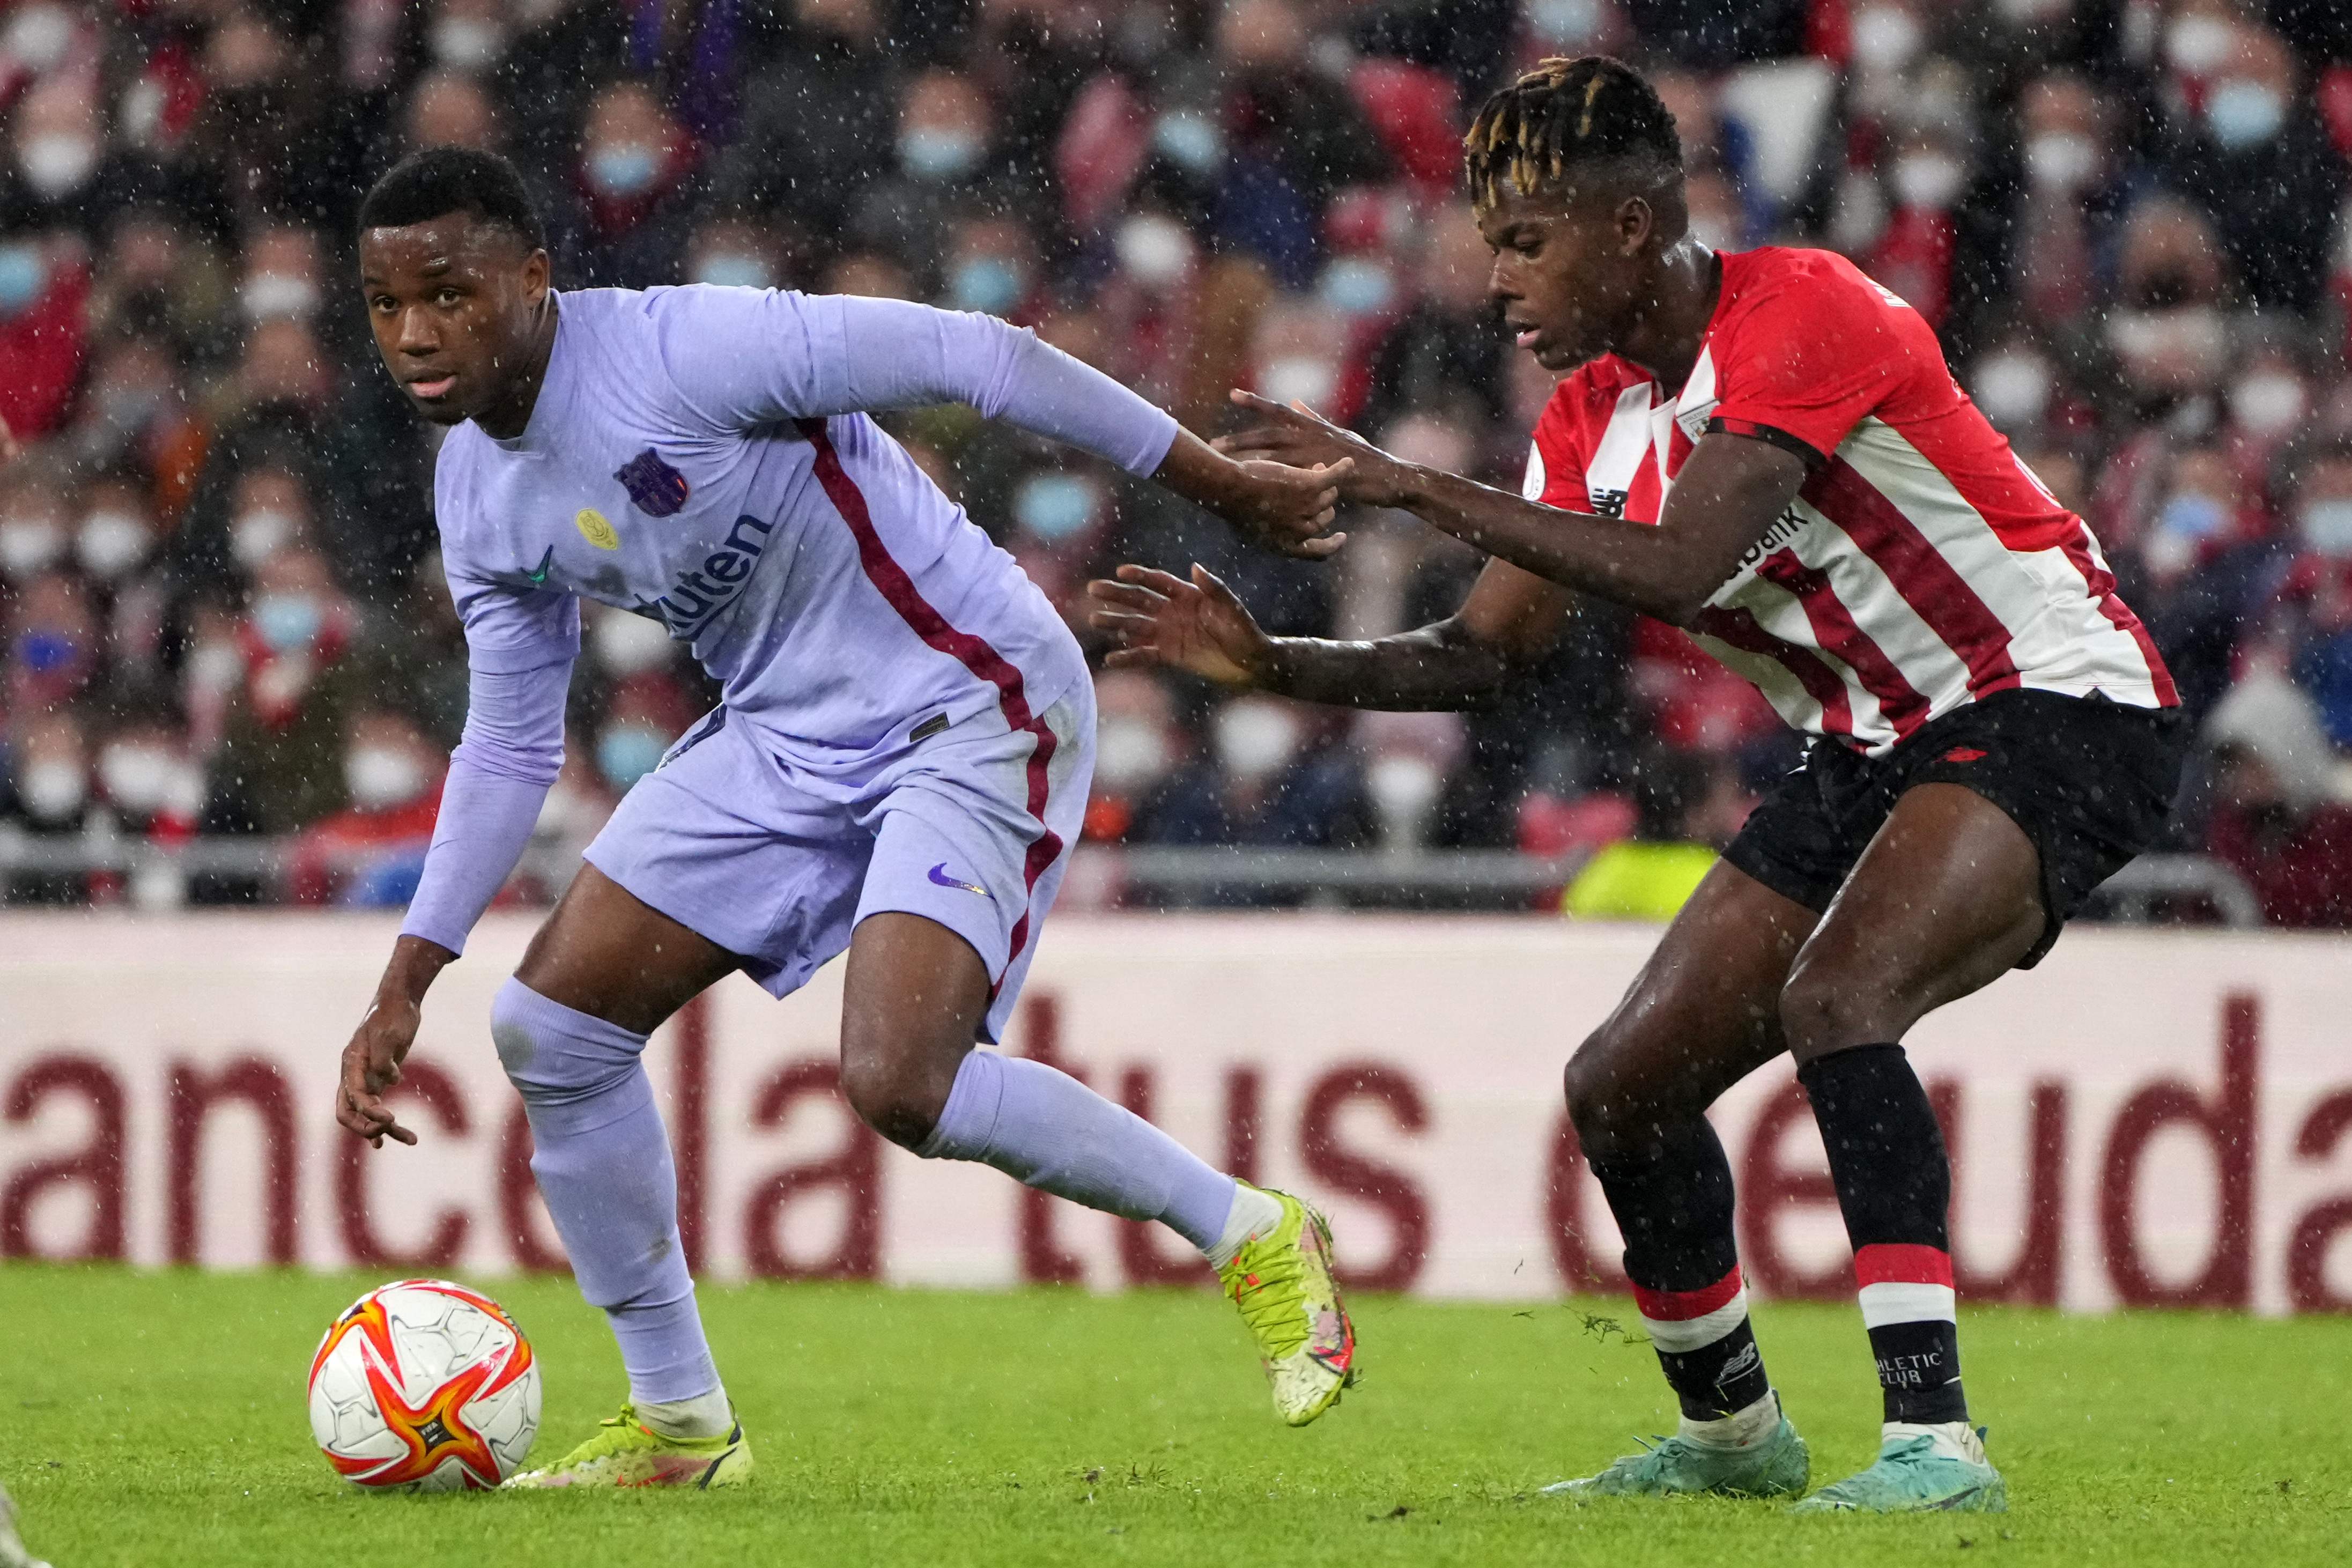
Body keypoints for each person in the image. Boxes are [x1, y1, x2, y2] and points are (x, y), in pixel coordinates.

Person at [1091, 55, 2188, 1514]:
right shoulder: (1586, 417)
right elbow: (1483, 657)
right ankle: (1732, 1436)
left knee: (1837, 998)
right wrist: (1272, 659)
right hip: (1871, 739)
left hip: (2054, 700)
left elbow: (1684, 566)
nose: (1496, 283)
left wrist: (1409, 482)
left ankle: (1935, 1441)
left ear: (1629, 231)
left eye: (1527, 242)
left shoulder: (1803, 309)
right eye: (1492, 246)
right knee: (1624, 1085)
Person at [333, 148, 1361, 1490]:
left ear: (534, 280)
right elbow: (514, 740)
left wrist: (1217, 481)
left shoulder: (691, 349)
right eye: (386, 304)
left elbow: (980, 356)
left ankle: (1250, 1229)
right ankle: (682, 1423)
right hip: (782, 733)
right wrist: (412, 973)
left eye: (450, 295)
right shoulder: (477, 493)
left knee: (900, 1083)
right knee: (553, 1028)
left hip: (968, 693)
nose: (415, 334)